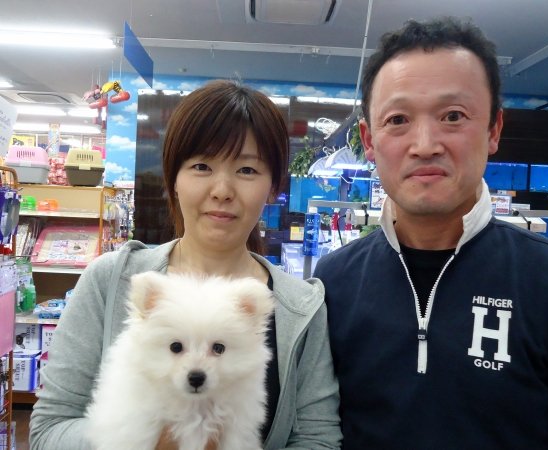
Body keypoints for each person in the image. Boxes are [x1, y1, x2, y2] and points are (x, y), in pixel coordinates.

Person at [314, 16, 548, 449]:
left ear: (494, 130)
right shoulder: (333, 282)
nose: (425, 145)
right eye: (398, 119)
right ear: (369, 140)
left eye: (453, 116)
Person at [30, 80, 342, 450]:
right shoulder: (110, 279)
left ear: (273, 186)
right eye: (201, 166)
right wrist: (144, 441)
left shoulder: (302, 308)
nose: (222, 190)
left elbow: (318, 439)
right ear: (173, 178)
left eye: (247, 170)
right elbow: (48, 431)